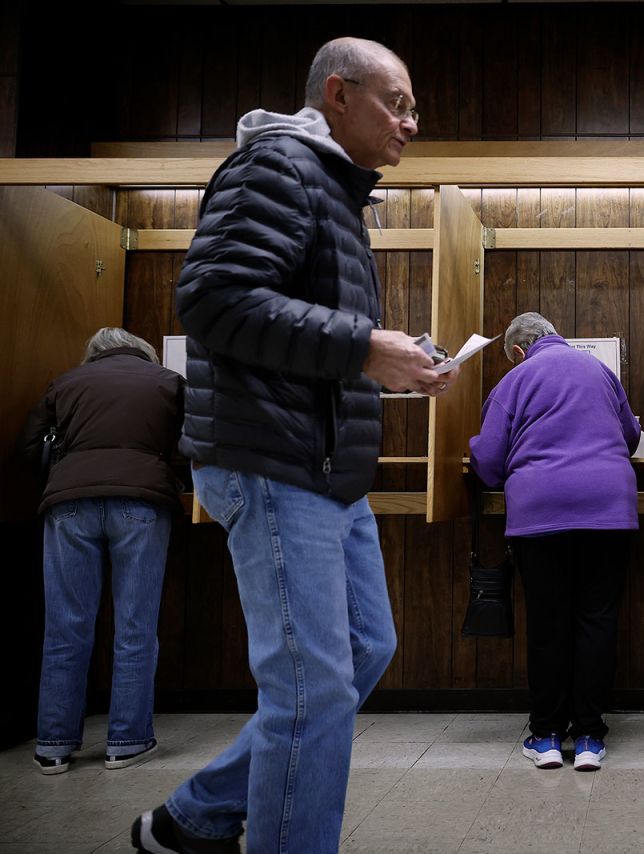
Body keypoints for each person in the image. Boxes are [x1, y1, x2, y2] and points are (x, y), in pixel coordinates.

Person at [130, 38, 456, 854]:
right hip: (273, 465)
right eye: (398, 102)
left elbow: (299, 335)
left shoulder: (335, 192)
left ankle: (199, 814)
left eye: (414, 107)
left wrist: (389, 363)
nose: (411, 122)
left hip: (322, 471)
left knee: (362, 652)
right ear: (339, 94)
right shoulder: (277, 167)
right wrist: (362, 348)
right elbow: (212, 299)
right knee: (311, 691)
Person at [469, 312, 641, 772]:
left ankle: (546, 736)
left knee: (548, 622)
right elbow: (631, 435)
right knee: (596, 619)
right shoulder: (600, 371)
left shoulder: (515, 380)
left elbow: (487, 460)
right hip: (608, 508)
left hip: (541, 511)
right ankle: (588, 737)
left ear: (519, 351)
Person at [20, 328, 184, 776]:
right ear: (144, 353)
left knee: (65, 627)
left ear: (92, 354)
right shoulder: (167, 381)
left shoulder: (65, 382)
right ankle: (127, 741)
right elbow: (191, 444)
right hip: (142, 503)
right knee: (135, 625)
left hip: (68, 503)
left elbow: (31, 446)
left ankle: (53, 744)